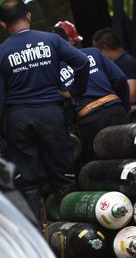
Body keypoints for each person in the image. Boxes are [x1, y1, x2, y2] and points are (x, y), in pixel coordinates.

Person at [0, 0, 90, 227]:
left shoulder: (0, 53)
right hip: (51, 114)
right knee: (63, 174)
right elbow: (81, 62)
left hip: (18, 120)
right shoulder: (51, 40)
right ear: (29, 16)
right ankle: (71, 233)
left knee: (27, 180)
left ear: (2, 24)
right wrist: (73, 92)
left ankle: (36, 236)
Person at [52, 25, 131, 169]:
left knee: (102, 168)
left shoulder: (52, 72)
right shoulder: (93, 53)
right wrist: (124, 107)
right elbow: (120, 78)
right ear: (69, 41)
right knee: (133, 157)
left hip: (89, 121)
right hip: (116, 110)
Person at [92, 28, 136, 104]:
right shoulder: (116, 64)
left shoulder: (127, 63)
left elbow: (131, 97)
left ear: (105, 49)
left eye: (98, 52)